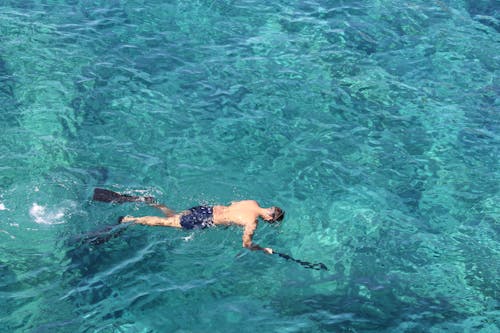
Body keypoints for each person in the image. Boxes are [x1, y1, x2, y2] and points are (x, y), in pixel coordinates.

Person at [119, 200, 285, 254]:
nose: (267, 222)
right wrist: (264, 249)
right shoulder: (252, 223)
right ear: (270, 217)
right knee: (167, 222)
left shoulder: (252, 202)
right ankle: (130, 219)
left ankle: (155, 203)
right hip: (205, 219)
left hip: (206, 209)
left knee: (175, 216)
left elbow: (232, 205)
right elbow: (246, 244)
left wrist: (228, 221)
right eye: (270, 222)